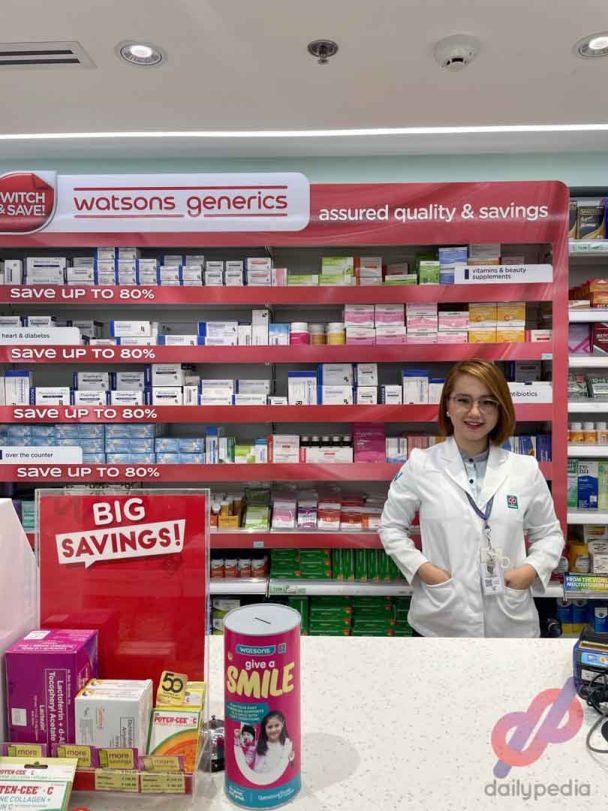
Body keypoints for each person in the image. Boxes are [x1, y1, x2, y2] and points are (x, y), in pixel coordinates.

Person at [379, 359, 563, 638]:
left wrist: (528, 571)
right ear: (447, 406)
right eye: (463, 400)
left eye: (487, 402)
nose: (475, 412)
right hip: (441, 619)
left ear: (500, 409)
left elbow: (549, 534)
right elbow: (391, 527)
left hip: (509, 622)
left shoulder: (525, 469)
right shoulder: (421, 465)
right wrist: (426, 571)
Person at [253, 710, 294, 775]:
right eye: (270, 727)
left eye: (277, 725)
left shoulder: (287, 745)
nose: (273, 730)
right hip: (257, 779)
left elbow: (289, 766)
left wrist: (291, 759)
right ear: (264, 728)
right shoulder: (257, 744)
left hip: (277, 779)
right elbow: (246, 761)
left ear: (282, 724)